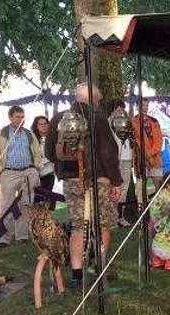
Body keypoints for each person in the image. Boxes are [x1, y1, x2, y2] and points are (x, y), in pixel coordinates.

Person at [45, 83, 122, 288]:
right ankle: (99, 267)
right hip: (99, 179)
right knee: (103, 223)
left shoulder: (58, 119)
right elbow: (108, 153)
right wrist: (116, 181)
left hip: (71, 181)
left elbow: (49, 153)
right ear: (94, 100)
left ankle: (77, 274)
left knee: (78, 226)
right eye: (98, 101)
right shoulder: (97, 118)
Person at [0, 105, 42, 246]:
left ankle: (22, 235)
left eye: (22, 117)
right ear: (10, 117)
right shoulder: (1, 134)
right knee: (6, 206)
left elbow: (37, 152)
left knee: (26, 205)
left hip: (28, 172)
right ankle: (3, 238)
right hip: (9, 172)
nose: (20, 119)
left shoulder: (28, 134)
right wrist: (1, 170)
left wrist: (36, 167)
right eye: (17, 117)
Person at [108, 99, 137, 226]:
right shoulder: (109, 122)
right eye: (117, 108)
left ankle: (121, 216)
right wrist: (112, 118)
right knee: (114, 187)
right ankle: (113, 216)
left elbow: (132, 141)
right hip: (115, 159)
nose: (120, 111)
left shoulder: (127, 123)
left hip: (127, 157)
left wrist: (133, 159)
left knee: (125, 187)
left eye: (122, 108)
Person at [131, 98, 164, 191]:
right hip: (140, 159)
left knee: (159, 187)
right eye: (142, 105)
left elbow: (159, 140)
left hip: (155, 158)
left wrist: (151, 154)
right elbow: (137, 139)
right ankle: (141, 206)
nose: (145, 108)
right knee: (140, 189)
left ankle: (158, 205)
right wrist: (147, 155)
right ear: (137, 106)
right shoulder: (133, 121)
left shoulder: (154, 121)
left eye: (146, 105)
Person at [31, 116, 56, 202]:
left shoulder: (53, 138)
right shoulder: (32, 140)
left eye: (45, 124)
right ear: (36, 126)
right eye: (40, 124)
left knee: (47, 200)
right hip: (35, 175)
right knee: (36, 200)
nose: (43, 126)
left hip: (49, 174)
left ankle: (46, 215)